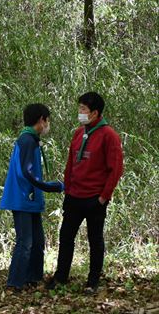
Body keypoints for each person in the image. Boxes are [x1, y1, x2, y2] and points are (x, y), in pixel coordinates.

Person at [46, 92, 123, 294]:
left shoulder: (109, 136)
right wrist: (68, 189)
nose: (80, 113)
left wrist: (103, 197)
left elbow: (115, 169)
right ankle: (60, 277)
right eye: (79, 108)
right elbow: (71, 163)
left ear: (95, 113)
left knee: (94, 240)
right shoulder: (79, 133)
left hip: (94, 198)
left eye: (83, 110)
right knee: (66, 236)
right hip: (74, 196)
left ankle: (93, 281)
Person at [0, 104, 64, 292]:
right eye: (47, 120)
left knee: (37, 241)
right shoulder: (27, 140)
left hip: (31, 199)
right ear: (41, 120)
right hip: (22, 198)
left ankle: (32, 278)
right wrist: (49, 186)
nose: (48, 124)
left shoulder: (31, 139)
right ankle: (14, 283)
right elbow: (27, 172)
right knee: (25, 242)